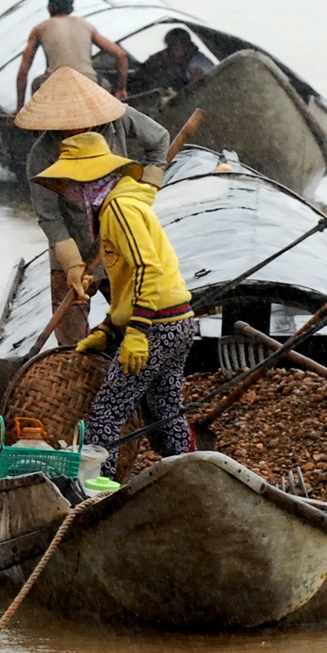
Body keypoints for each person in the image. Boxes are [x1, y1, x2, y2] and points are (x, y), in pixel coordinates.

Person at [34, 132, 197, 460]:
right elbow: (126, 284)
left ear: (87, 181)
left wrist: (137, 333)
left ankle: (96, 488)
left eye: (68, 183)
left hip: (156, 325)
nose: (67, 191)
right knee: (165, 408)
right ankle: (188, 468)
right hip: (176, 320)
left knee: (107, 409)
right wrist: (109, 328)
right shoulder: (117, 205)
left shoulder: (120, 209)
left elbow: (146, 269)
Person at [18, 68, 170, 346]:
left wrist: (148, 186)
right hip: (73, 243)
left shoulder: (119, 119)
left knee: (139, 322)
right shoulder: (42, 153)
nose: (71, 127)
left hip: (121, 239)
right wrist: (73, 266)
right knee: (72, 341)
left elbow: (159, 140)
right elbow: (49, 216)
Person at [14, 0, 129, 110]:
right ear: (72, 8)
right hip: (90, 83)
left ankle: (39, 123)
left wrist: (20, 107)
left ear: (48, 8)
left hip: (57, 87)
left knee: (37, 83)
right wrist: (121, 89)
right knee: (105, 85)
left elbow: (23, 73)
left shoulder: (39, 30)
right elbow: (121, 55)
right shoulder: (87, 26)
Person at [134, 27, 215, 94]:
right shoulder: (185, 59)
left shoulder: (197, 66)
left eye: (172, 47)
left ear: (185, 45)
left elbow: (201, 90)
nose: (169, 52)